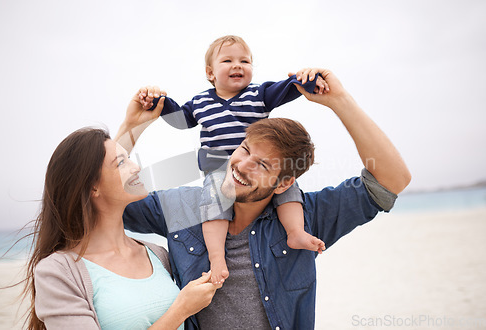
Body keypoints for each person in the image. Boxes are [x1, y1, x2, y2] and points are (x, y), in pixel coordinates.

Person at [117, 67, 411, 330]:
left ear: (284, 184)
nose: (242, 165)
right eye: (245, 149)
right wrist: (133, 127)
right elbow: (101, 198)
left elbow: (392, 180)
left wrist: (340, 101)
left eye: (262, 165)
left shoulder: (307, 218)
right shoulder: (182, 207)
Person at [140, 35, 328, 284]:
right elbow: (180, 120)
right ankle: (217, 258)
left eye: (245, 61)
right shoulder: (201, 102)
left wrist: (306, 79)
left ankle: (295, 232)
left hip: (257, 168)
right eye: (227, 60)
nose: (237, 65)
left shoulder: (259, 94)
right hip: (218, 166)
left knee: (288, 188)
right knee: (213, 206)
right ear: (211, 73)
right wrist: (158, 102)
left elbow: (288, 88)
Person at [24, 97, 220, 330]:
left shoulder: (157, 254)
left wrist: (133, 125)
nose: (136, 167)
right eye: (122, 163)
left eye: (129, 160)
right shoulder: (57, 272)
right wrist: (181, 310)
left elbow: (102, 167)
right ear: (91, 187)